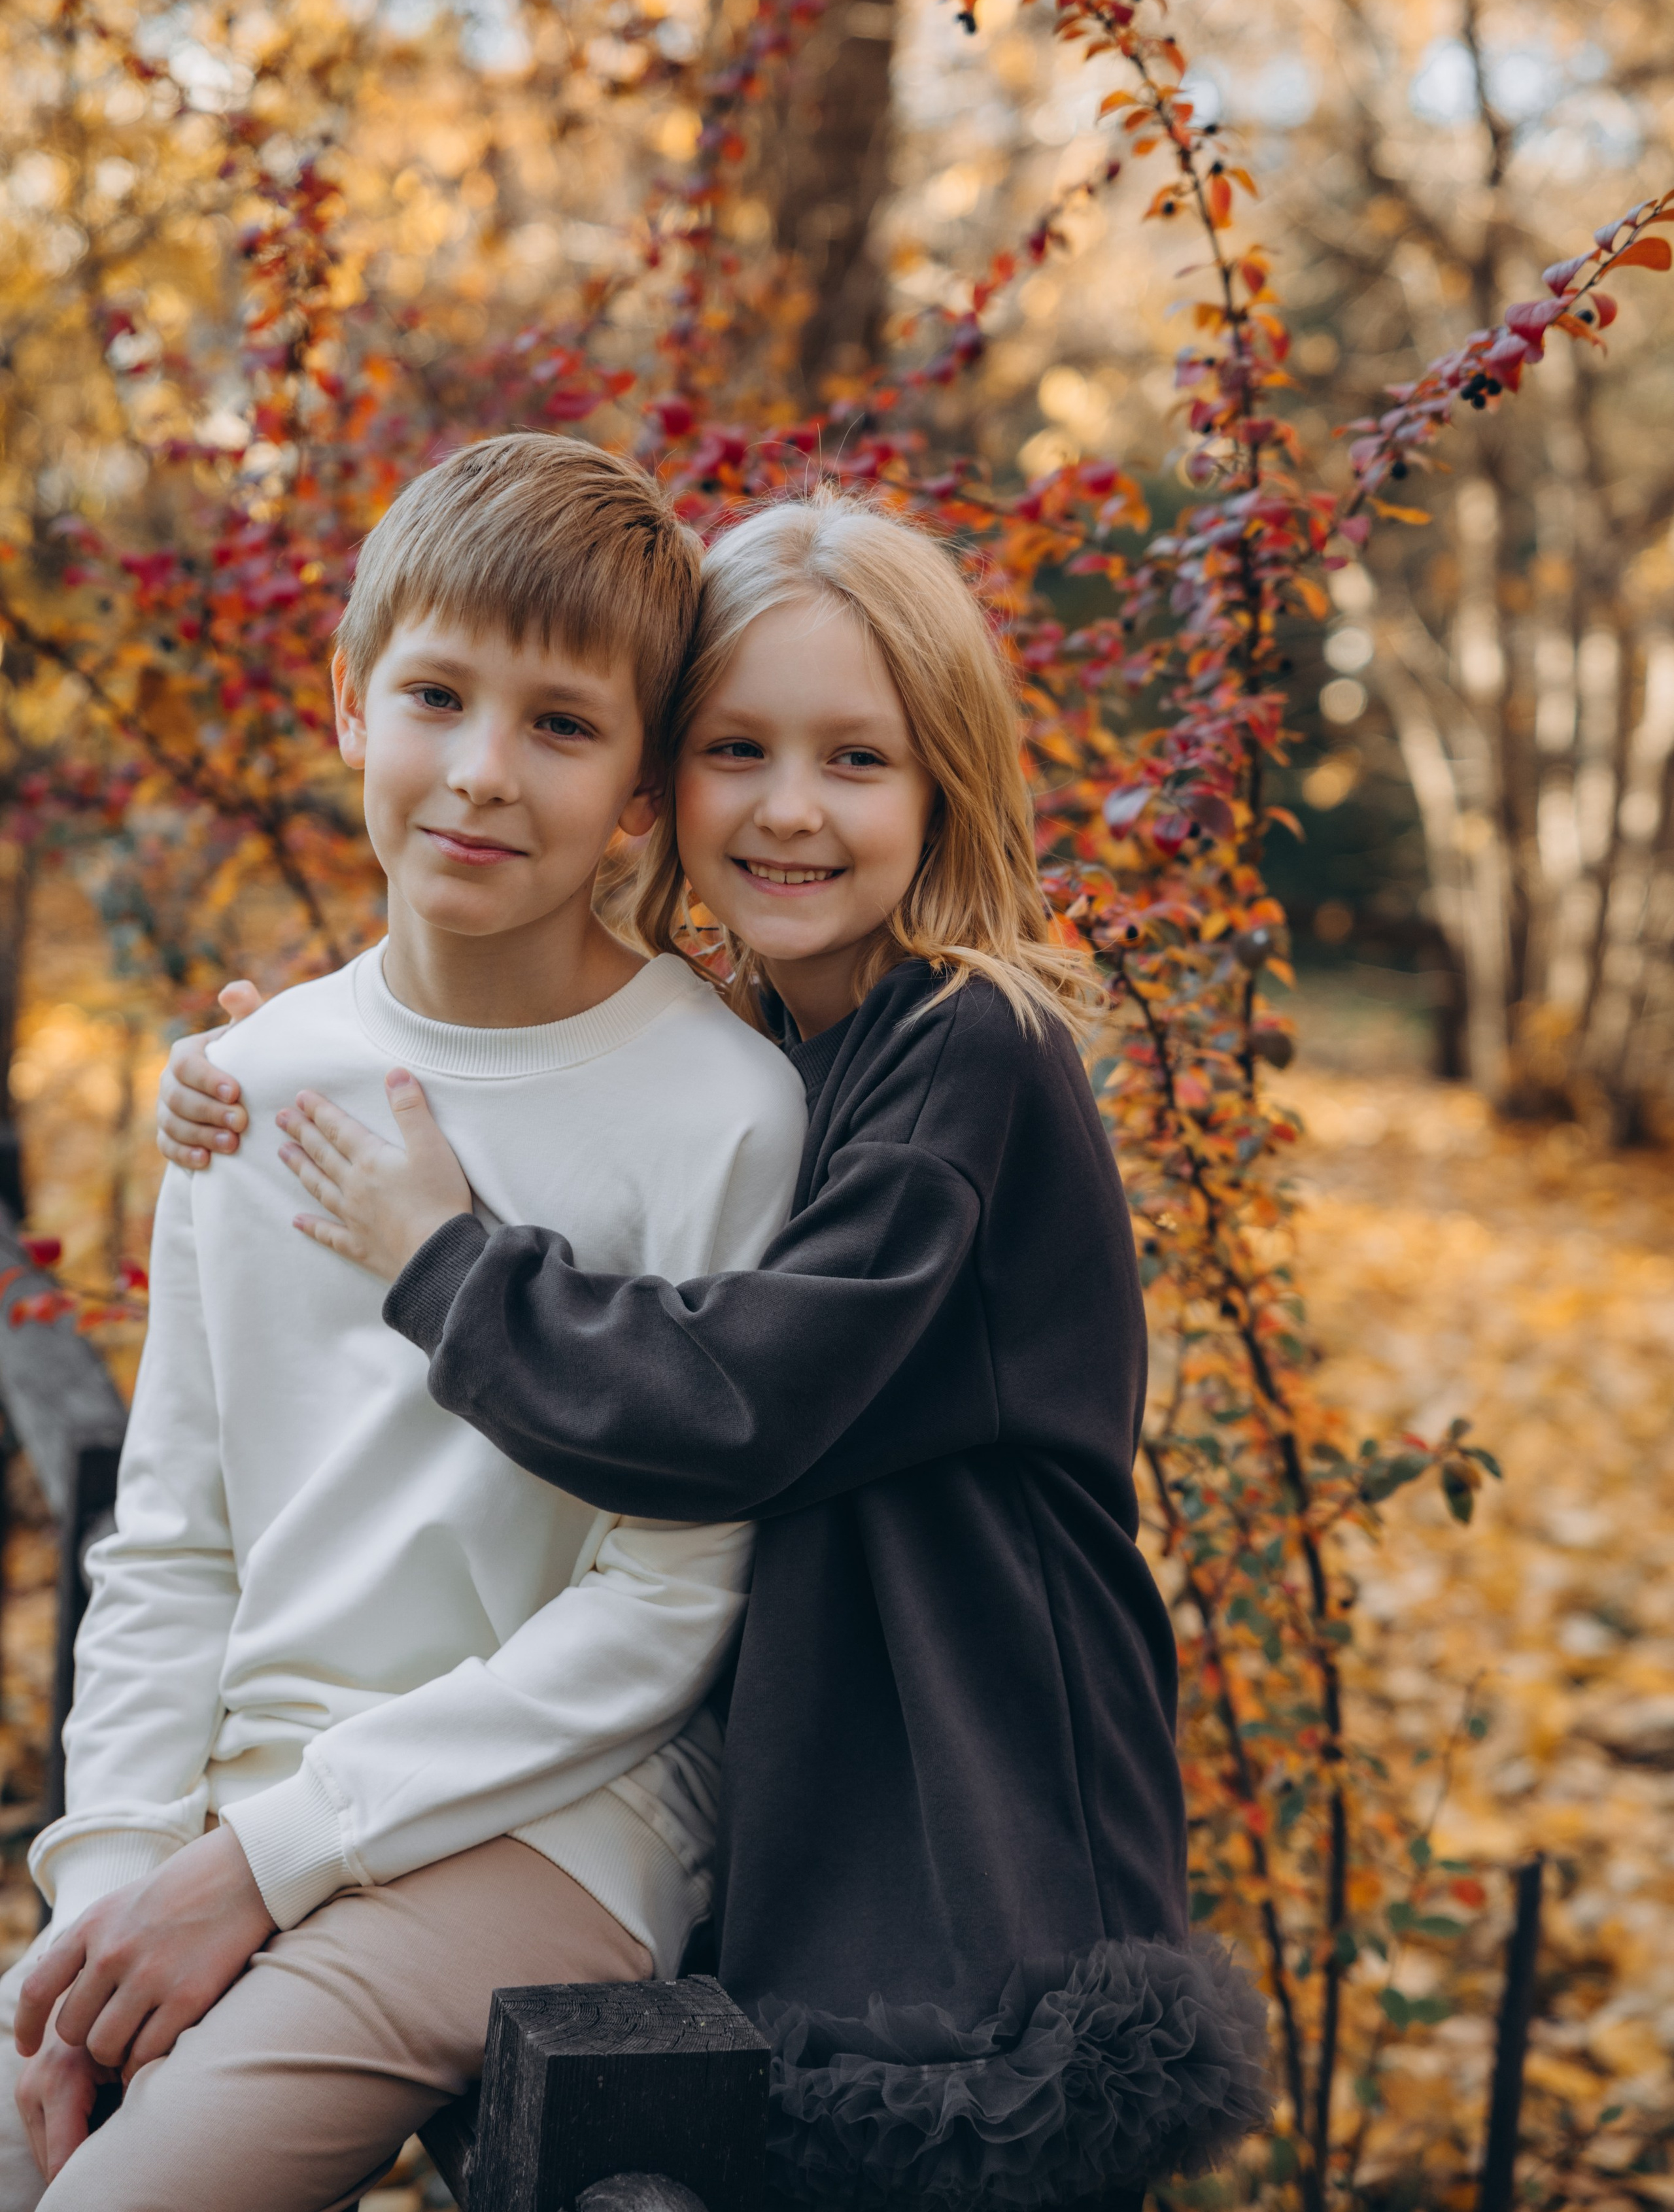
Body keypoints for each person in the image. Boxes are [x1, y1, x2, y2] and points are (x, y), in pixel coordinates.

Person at [162, 494, 1271, 2209]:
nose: (791, 808)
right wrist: (290, 1058)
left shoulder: (970, 1053)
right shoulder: (794, 1043)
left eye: (859, 760)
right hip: (834, 1774)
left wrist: (443, 1264)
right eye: (738, 748)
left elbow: (736, 1395)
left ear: (947, 785)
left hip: (977, 1791)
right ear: (665, 783)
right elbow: (581, 1165)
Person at [10, 434, 806, 2212]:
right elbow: (177, 1532)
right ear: (352, 703)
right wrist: (111, 1880)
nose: (481, 773)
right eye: (439, 695)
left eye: (562, 725)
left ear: (638, 796)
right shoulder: (251, 1079)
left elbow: (665, 1605)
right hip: (241, 1811)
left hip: (549, 1830)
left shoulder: (722, 1114)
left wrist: (258, 1868)